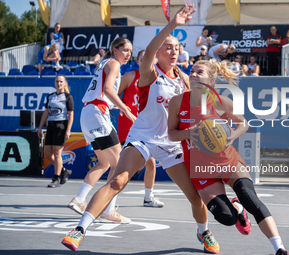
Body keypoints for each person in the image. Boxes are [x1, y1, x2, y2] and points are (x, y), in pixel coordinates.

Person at [62, 5, 220, 254]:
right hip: (143, 137)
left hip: (171, 143)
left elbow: (200, 106)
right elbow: (152, 51)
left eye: (177, 48)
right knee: (118, 181)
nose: (173, 50)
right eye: (168, 47)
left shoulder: (184, 80)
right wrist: (173, 25)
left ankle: (204, 232)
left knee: (194, 196)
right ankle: (79, 229)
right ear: (158, 52)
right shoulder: (148, 72)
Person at [167, 59, 289, 255]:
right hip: (200, 168)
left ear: (211, 79)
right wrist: (188, 133)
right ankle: (237, 211)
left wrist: (232, 135)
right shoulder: (177, 102)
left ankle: (280, 248)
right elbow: (171, 134)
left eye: (199, 72)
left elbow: (244, 123)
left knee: (250, 198)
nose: (193, 75)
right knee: (227, 217)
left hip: (227, 160)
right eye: (192, 71)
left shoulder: (220, 102)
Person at [67, 37, 136, 224]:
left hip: (90, 114)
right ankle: (109, 210)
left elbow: (103, 92)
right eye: (125, 50)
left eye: (130, 50)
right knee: (120, 164)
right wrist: (126, 109)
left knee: (104, 163)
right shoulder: (113, 64)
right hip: (97, 112)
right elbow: (107, 90)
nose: (128, 53)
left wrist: (117, 107)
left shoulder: (105, 64)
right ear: (115, 50)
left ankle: (79, 200)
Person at [117, 49, 164, 208]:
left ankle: (148, 198)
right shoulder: (130, 77)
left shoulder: (159, 79)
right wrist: (123, 108)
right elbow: (114, 94)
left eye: (150, 58)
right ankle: (108, 201)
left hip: (147, 128)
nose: (147, 61)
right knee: (120, 166)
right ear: (138, 62)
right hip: (129, 128)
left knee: (151, 163)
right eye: (143, 59)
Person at [38, 75, 74, 188]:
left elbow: (71, 115)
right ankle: (64, 171)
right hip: (51, 126)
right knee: (48, 154)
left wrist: (68, 130)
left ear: (64, 84)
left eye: (61, 81)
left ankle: (56, 178)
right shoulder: (50, 97)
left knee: (57, 153)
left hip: (61, 126)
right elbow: (46, 113)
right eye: (57, 81)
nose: (59, 83)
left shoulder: (68, 97)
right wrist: (40, 128)